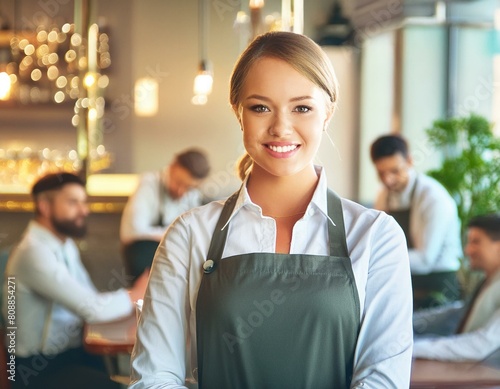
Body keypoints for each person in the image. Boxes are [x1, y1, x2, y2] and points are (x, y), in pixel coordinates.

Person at [129, 31, 413, 389]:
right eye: (260, 107)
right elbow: (154, 377)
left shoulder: (376, 236)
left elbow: (383, 381)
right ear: (238, 113)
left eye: (302, 108)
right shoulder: (188, 235)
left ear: (327, 113)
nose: (280, 127)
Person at [1, 172, 148, 389]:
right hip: (37, 370)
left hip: (72, 353)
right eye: (73, 202)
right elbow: (93, 309)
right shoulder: (32, 252)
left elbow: (89, 299)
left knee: (140, 376)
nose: (84, 210)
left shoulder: (64, 244)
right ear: (44, 206)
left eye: (84, 202)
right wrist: (136, 294)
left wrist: (130, 297)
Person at [370, 134, 463, 310]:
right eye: (382, 173)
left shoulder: (433, 198)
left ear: (410, 161)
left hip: (437, 284)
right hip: (403, 279)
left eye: (395, 171)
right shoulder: (384, 195)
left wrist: (377, 257)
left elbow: (425, 260)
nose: (388, 180)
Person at [413, 213, 500, 361]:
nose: (468, 250)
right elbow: (457, 313)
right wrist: (409, 322)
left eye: (476, 242)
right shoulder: (489, 281)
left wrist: (413, 348)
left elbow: (480, 345)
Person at [119, 148, 210, 283]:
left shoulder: (193, 195)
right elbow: (133, 230)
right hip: (143, 256)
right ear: (172, 167)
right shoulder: (148, 183)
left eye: (189, 187)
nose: (181, 192)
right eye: (178, 183)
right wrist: (175, 234)